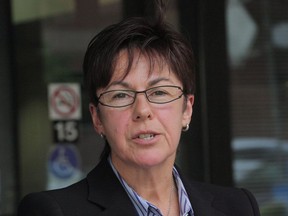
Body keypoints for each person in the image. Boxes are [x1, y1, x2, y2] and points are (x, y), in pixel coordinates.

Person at [18, 2, 260, 216]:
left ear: (187, 109)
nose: (142, 110)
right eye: (121, 95)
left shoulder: (237, 206)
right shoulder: (53, 210)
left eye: (159, 92)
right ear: (97, 118)